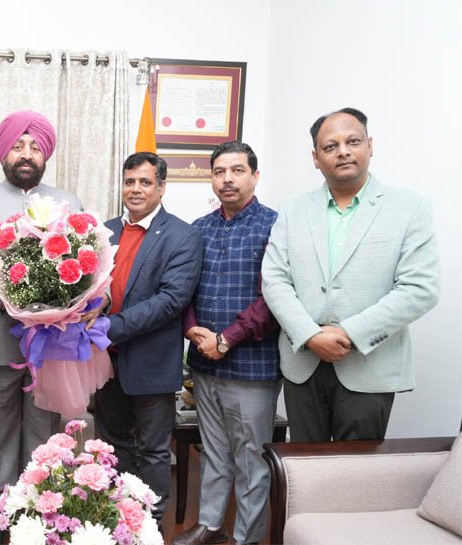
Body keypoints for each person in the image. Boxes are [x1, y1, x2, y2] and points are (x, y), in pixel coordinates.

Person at [262, 107, 440, 442]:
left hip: (369, 365)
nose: (343, 151)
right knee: (305, 466)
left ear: (370, 145)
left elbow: (420, 289)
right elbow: (274, 280)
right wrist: (310, 335)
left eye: (353, 141)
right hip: (304, 364)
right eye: (330, 146)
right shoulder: (293, 209)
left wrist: (349, 332)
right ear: (316, 158)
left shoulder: (409, 208)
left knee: (357, 469)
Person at [0, 110, 83, 491]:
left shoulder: (67, 200)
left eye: (35, 147)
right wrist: (11, 302)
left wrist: (58, 303)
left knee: (45, 437)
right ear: (3, 153)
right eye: (17, 146)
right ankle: (3, 509)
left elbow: (81, 265)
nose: (26, 154)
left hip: (51, 343)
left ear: (45, 155)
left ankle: (41, 511)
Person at [173, 142, 280, 545]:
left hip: (253, 365)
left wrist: (227, 339)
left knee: (251, 459)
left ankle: (246, 537)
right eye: (219, 171)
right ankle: (211, 525)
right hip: (204, 363)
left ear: (255, 176)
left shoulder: (274, 226)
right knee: (214, 451)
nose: (227, 179)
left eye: (237, 170)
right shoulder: (199, 228)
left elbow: (275, 298)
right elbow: (184, 288)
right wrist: (192, 330)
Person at [96, 152, 203, 529]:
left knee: (154, 450)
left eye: (145, 182)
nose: (136, 189)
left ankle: (149, 526)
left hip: (151, 361)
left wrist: (110, 326)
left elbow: (171, 300)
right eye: (130, 182)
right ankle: (118, 519)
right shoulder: (104, 232)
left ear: (161, 187)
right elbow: (93, 286)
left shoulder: (183, 235)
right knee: (113, 445)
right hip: (104, 360)